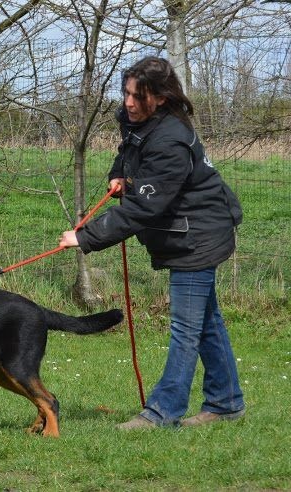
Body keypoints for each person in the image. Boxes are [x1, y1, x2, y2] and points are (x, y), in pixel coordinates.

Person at [58, 56, 245, 430]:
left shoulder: (171, 141)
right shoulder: (140, 122)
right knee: (207, 322)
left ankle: (163, 412)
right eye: (126, 92)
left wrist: (84, 237)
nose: (128, 102)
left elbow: (142, 209)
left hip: (199, 236)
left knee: (186, 329)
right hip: (187, 229)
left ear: (159, 98)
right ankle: (225, 403)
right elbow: (128, 153)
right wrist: (119, 176)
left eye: (137, 96)